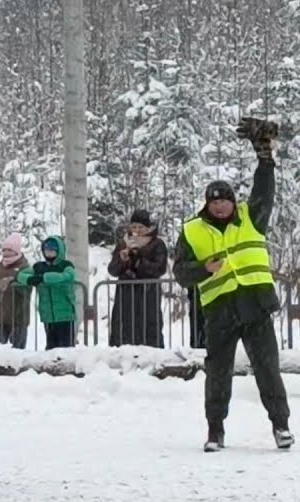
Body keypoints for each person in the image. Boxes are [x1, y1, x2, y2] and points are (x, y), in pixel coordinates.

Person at [172, 117, 292, 452]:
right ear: (207, 204)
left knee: (268, 371)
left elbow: (265, 190)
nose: (221, 204)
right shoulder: (192, 230)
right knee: (218, 375)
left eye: (225, 199)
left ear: (231, 200)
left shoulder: (250, 217)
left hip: (255, 306)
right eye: (215, 200)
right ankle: (215, 431)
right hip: (220, 313)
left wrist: (264, 157)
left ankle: (281, 426)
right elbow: (180, 271)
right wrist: (202, 268)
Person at [107, 210, 169, 348]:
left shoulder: (157, 244)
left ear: (148, 228)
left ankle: (153, 354)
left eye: (140, 227)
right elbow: (112, 270)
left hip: (148, 293)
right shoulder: (123, 243)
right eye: (134, 226)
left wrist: (138, 259)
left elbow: (159, 268)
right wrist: (122, 260)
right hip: (125, 294)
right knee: (124, 326)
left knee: (149, 326)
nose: (137, 230)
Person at [17, 236, 77, 350]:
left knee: (66, 346)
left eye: (52, 251)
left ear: (59, 251)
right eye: (47, 251)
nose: (49, 254)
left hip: (65, 313)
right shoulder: (39, 266)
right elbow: (20, 275)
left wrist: (45, 278)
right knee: (51, 346)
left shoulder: (65, 265)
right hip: (47, 314)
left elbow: (69, 276)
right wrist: (30, 279)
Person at [0, 233, 32, 349]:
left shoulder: (25, 267)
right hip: (0, 316)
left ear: (16, 251)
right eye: (4, 250)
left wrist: (13, 280)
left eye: (9, 250)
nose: (6, 252)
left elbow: (28, 285)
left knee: (17, 352)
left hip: (18, 317)